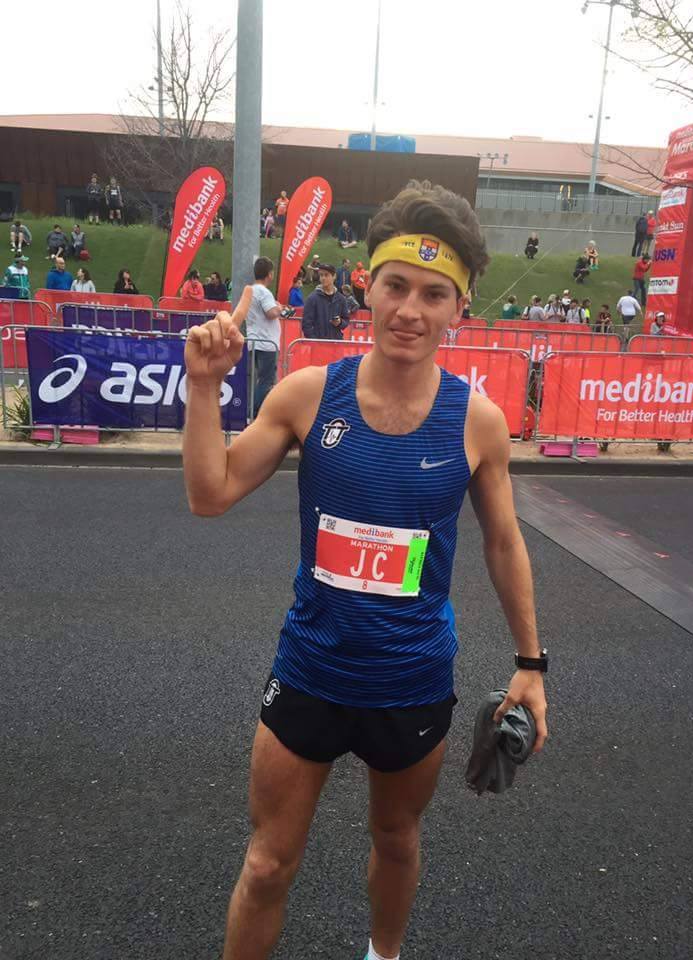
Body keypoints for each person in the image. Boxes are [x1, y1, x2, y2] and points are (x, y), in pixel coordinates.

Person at [182, 179, 548, 960]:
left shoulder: (478, 422)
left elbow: (503, 542)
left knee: (396, 840)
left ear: (459, 307)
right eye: (395, 286)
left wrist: (531, 665)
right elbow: (210, 494)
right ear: (368, 289)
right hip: (311, 671)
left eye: (433, 294)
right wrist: (205, 387)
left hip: (412, 681)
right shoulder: (309, 395)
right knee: (267, 863)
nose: (410, 310)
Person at [243, 257, 284, 416]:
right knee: (266, 381)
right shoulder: (264, 292)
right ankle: (253, 413)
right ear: (270, 274)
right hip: (267, 342)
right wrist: (279, 308)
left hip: (254, 340)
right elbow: (270, 313)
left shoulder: (251, 291)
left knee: (260, 380)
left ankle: (257, 412)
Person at [301, 264, 350, 340]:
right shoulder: (312, 298)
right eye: (321, 275)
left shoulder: (341, 299)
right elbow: (306, 324)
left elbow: (346, 320)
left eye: (326, 275)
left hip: (336, 342)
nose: (323, 278)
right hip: (318, 343)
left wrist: (340, 322)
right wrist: (315, 341)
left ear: (334, 276)